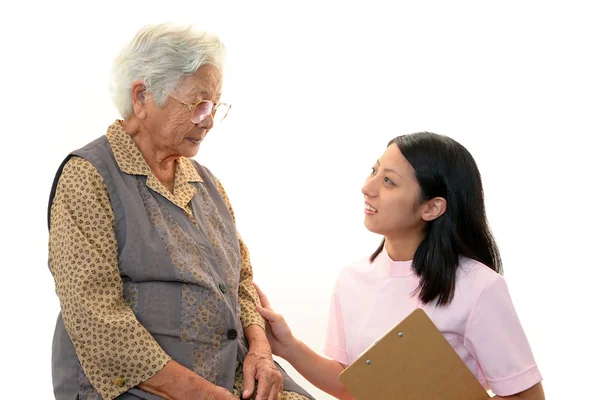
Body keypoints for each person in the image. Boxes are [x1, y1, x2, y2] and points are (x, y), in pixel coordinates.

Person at [47, 23, 314, 400]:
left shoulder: (204, 181)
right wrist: (201, 393)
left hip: (229, 372)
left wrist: (260, 350)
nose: (207, 120)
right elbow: (95, 320)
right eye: (198, 104)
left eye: (215, 106)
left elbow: (241, 281)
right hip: (137, 387)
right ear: (142, 96)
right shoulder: (89, 176)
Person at [255, 132, 545, 399]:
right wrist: (287, 346)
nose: (367, 188)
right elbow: (352, 385)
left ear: (431, 207)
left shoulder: (480, 287)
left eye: (388, 181)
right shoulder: (352, 279)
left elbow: (528, 396)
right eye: (374, 171)